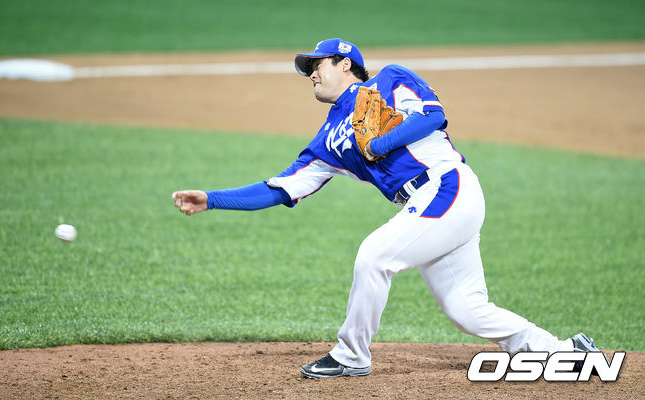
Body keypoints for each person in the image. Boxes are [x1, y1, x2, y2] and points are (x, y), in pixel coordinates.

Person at [172, 38, 607, 379]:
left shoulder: (389, 80)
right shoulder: (327, 140)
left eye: (317, 65)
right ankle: (565, 351)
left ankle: (351, 355)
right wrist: (213, 199)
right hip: (430, 205)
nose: (311, 75)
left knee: (374, 256)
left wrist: (381, 142)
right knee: (467, 310)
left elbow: (432, 116)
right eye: (308, 70)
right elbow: (280, 188)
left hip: (447, 186)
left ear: (345, 63)